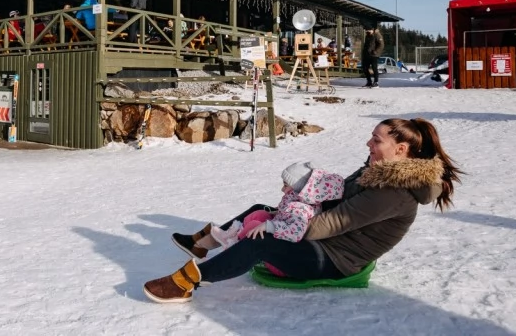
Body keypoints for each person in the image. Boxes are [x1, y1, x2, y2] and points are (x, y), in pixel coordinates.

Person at [143, 118, 462, 303]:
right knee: (261, 210)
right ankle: (204, 244)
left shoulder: (394, 191)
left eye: (376, 141)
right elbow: (338, 196)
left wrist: (280, 226)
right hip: (328, 241)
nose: (368, 144)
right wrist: (302, 188)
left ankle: (186, 283)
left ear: (401, 150)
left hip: (335, 258)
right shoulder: (378, 168)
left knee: (262, 240)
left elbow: (330, 223)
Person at [209, 162, 345, 279]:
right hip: (280, 242)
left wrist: (269, 226)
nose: (282, 189)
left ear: (299, 187)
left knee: (256, 225)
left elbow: (295, 232)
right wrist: (275, 214)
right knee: (260, 214)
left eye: (285, 185)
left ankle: (236, 245)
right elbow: (286, 214)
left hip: (281, 262)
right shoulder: (296, 197)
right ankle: (233, 236)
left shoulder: (300, 208)